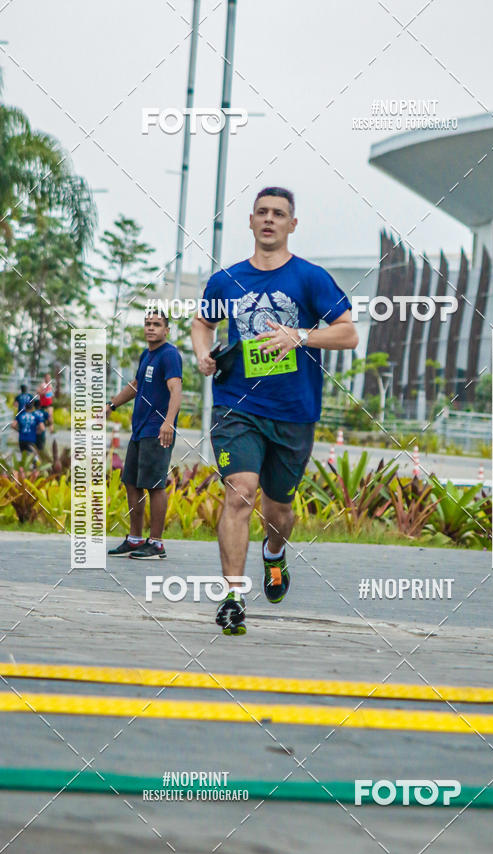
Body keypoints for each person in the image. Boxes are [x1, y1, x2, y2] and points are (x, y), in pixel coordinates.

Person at [191, 186, 358, 635]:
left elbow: (348, 334)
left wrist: (300, 336)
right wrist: (202, 354)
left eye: (278, 214)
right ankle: (232, 597)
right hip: (236, 406)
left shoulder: (310, 279)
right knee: (240, 491)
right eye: (261, 212)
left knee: (278, 510)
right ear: (250, 221)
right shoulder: (225, 280)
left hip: (293, 411)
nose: (269, 219)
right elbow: (202, 322)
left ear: (292, 224)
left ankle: (274, 553)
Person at [106, 311, 182, 560]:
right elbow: (136, 385)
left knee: (154, 485)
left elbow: (175, 389)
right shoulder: (146, 354)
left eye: (157, 325)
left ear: (166, 330)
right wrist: (112, 405)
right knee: (131, 481)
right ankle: (136, 539)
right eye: (148, 324)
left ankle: (157, 543)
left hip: (157, 429)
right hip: (140, 429)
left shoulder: (169, 354)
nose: (151, 328)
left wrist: (168, 423)